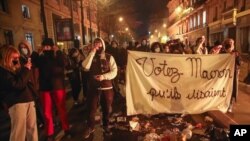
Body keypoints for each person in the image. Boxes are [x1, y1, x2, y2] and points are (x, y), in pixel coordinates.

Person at [36, 38, 71, 141]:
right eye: (45, 46)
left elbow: (64, 62)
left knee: (62, 110)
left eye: (49, 46)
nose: (47, 48)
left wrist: (58, 51)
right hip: (45, 88)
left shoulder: (57, 56)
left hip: (58, 86)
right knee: (47, 112)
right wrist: (37, 52)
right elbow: (35, 61)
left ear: (52, 46)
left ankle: (66, 128)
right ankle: (50, 133)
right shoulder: (41, 58)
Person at [82, 37, 117, 139]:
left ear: (103, 45)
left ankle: (106, 125)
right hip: (93, 88)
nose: (97, 45)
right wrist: (91, 53)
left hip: (106, 88)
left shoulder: (109, 57)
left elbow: (114, 71)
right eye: (95, 43)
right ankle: (90, 127)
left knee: (106, 109)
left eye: (99, 43)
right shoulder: (90, 56)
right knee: (91, 109)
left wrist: (103, 77)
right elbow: (85, 67)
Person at [0, 46, 38, 141]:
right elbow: (17, 84)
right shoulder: (3, 71)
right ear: (6, 57)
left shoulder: (16, 68)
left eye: (17, 58)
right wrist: (26, 70)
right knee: (18, 133)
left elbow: (25, 82)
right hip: (17, 103)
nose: (17, 60)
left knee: (32, 130)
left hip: (28, 99)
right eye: (14, 58)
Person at [220, 38, 241, 113]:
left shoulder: (236, 52)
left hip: (233, 74)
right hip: (224, 74)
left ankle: (230, 105)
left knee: (232, 89)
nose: (230, 44)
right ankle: (222, 103)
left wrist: (236, 56)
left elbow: (239, 63)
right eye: (229, 43)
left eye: (232, 43)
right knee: (223, 88)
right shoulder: (222, 52)